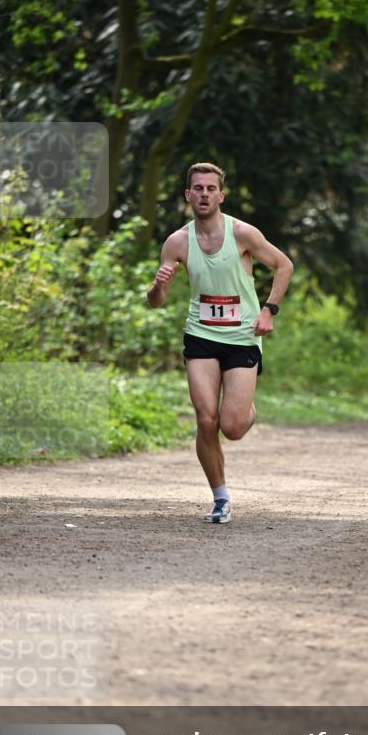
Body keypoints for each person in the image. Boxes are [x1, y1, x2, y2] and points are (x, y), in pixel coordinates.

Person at [148, 162, 293, 523]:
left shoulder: (242, 233)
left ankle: (244, 410)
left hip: (242, 336)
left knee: (232, 426)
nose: (204, 194)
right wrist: (159, 284)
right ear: (188, 195)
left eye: (211, 189)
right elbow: (156, 302)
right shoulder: (177, 242)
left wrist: (269, 310)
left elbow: (283, 265)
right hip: (201, 334)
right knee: (206, 418)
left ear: (221, 196)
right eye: (198, 188)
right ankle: (220, 498)